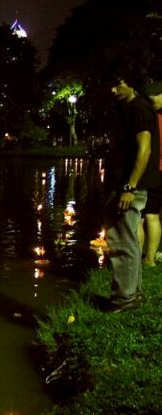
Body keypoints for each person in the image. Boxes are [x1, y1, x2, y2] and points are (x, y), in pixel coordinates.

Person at [102, 74, 161, 312]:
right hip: (127, 185)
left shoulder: (138, 110)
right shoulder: (131, 109)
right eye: (111, 85)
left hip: (128, 188)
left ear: (131, 83)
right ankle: (132, 294)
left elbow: (144, 150)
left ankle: (124, 298)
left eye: (119, 84)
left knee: (121, 241)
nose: (113, 90)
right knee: (128, 241)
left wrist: (129, 187)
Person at [138, 81, 162, 266]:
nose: (153, 99)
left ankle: (136, 259)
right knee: (153, 215)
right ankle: (150, 259)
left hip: (149, 172)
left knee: (138, 217)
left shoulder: (147, 118)